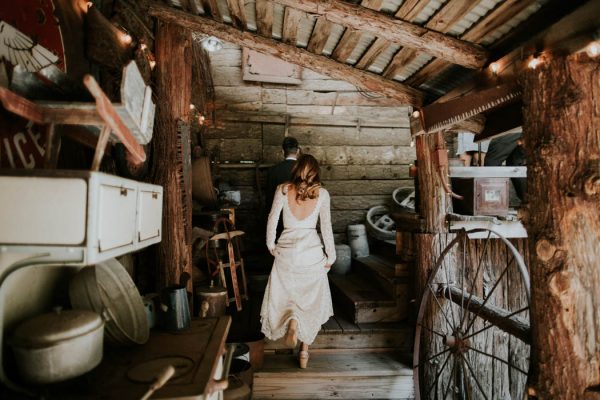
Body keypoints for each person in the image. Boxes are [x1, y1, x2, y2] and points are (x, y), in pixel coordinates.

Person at [260, 154, 335, 369]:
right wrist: (331, 257)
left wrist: (271, 245)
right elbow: (326, 228)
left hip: (287, 251)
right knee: (309, 300)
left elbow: (272, 218)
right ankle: (304, 352)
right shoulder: (323, 194)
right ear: (315, 171)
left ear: (296, 169)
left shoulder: (283, 189)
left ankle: (292, 321)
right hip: (311, 253)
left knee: (287, 295)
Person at [484, 132, 527, 201]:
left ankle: (492, 201)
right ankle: (528, 200)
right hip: (521, 129)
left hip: (509, 130)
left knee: (491, 164)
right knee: (516, 164)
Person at [266, 137, 300, 210]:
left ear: (283, 152)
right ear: (298, 151)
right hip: (299, 213)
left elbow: (269, 198)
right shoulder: (305, 169)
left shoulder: (272, 170)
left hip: (279, 214)